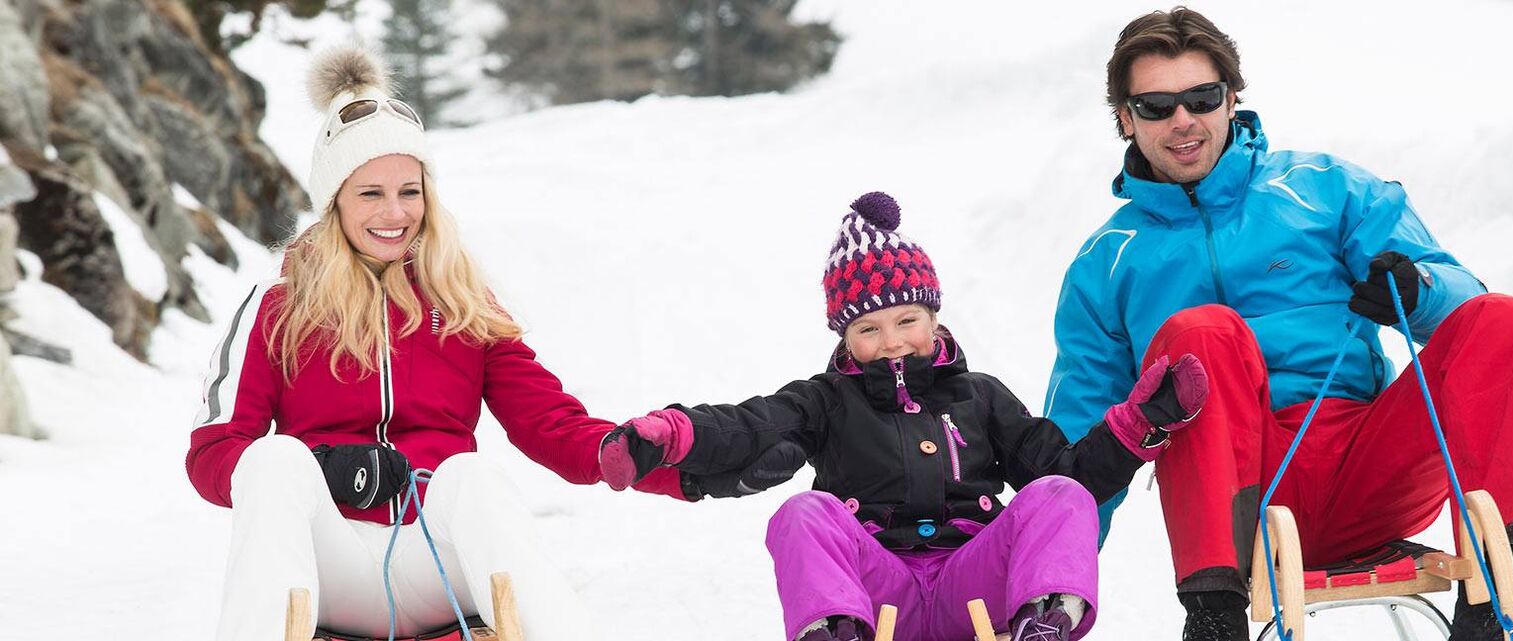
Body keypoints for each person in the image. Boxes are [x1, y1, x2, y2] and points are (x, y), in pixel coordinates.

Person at [1044, 8, 1513, 641]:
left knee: (1507, 318)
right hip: (1237, 496)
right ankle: (1213, 619)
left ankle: (1496, 602)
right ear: (1125, 118)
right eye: (1155, 106)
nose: (1182, 120)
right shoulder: (1108, 263)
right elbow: (1082, 438)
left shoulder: (1324, 189)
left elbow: (1466, 311)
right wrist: (1045, 580)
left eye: (1200, 98)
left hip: (1368, 463)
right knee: (1200, 334)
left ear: (1231, 98)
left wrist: (1415, 290)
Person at [184, 47, 681, 640]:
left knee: (473, 478)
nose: (395, 213)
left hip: (434, 563)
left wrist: (614, 448)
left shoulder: (461, 298)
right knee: (271, 460)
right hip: (328, 569)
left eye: (409, 191)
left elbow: (546, 419)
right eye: (370, 193)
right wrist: (325, 469)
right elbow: (213, 454)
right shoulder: (278, 303)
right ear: (335, 200)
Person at [600, 192, 1208, 641]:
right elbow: (751, 426)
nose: (891, 341)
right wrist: (674, 433)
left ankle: (1043, 622)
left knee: (1060, 494)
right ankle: (833, 631)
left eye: (907, 322)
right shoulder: (826, 400)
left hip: (973, 579)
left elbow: (1070, 472)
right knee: (804, 513)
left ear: (933, 317)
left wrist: (1134, 427)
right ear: (845, 336)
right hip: (877, 587)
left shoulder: (981, 395)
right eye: (868, 328)